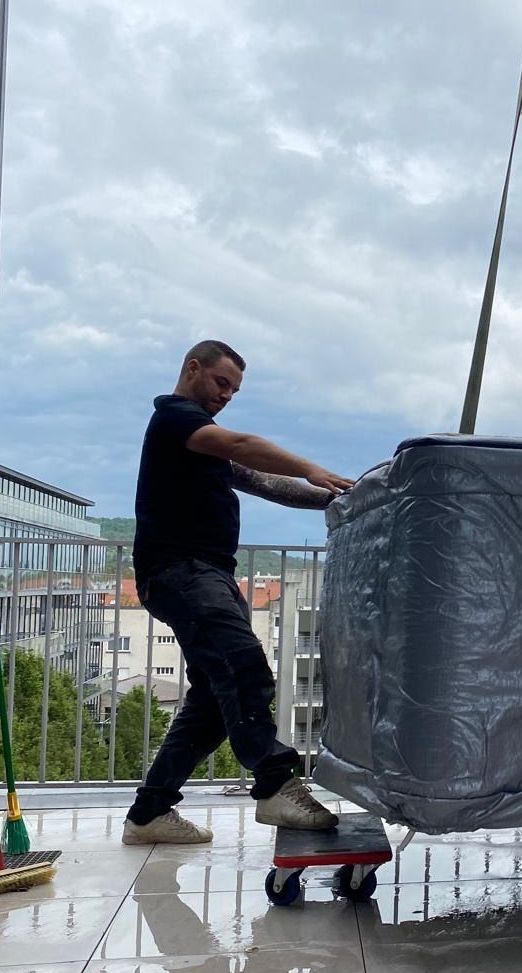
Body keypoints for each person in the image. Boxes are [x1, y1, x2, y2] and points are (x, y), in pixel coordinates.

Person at [121, 340, 353, 845]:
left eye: (234, 390)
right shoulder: (177, 418)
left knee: (211, 700)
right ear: (192, 368)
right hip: (182, 571)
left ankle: (149, 813)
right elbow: (243, 446)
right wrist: (311, 466)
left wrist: (336, 499)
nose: (227, 395)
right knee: (245, 668)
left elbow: (263, 482)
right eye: (221, 383)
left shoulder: (201, 443)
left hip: (208, 576)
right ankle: (275, 784)